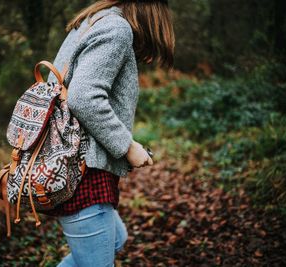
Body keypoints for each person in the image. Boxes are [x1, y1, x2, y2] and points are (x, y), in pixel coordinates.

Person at [44, 0, 175, 266]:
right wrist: (128, 147)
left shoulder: (93, 20)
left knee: (116, 239)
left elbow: (57, 87)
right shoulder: (116, 28)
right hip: (84, 174)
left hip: (70, 164)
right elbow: (83, 97)